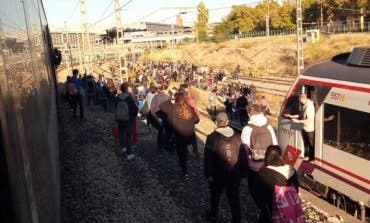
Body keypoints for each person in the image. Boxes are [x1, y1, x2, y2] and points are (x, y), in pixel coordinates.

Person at [204, 112, 246, 223]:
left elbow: (207, 158)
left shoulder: (212, 138)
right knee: (234, 198)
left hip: (217, 174)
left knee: (215, 195)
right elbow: (243, 155)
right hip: (235, 173)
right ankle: (236, 219)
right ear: (227, 122)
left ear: (216, 123)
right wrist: (243, 173)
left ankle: (213, 216)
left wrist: (208, 174)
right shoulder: (237, 136)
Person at [240, 104, 277, 203]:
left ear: (249, 114)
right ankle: (266, 208)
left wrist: (244, 168)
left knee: (254, 189)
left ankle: (260, 208)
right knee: (268, 190)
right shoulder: (268, 127)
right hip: (269, 164)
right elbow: (275, 145)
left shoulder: (247, 129)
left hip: (253, 166)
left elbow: (245, 149)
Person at [253, 145, 299, 223]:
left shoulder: (263, 172)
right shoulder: (291, 170)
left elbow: (257, 194)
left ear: (266, 156)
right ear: (280, 156)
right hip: (288, 210)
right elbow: (296, 190)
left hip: (270, 210)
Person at [158, 92, 199, 178]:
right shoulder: (190, 108)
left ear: (176, 100)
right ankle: (186, 163)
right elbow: (197, 120)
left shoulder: (173, 109)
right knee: (183, 150)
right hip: (189, 135)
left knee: (181, 153)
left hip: (179, 136)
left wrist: (170, 100)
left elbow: (161, 106)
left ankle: (185, 171)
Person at [285, 93, 315, 161]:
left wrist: (298, 121)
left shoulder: (309, 106)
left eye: (300, 100)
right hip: (305, 128)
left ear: (302, 99)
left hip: (310, 129)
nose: (300, 102)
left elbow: (309, 120)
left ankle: (312, 158)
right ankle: (307, 156)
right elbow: (301, 115)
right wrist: (291, 116)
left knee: (310, 144)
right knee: (306, 143)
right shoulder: (305, 105)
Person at [115, 83, 137, 160]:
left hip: (119, 118)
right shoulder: (129, 98)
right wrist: (134, 116)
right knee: (128, 135)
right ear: (127, 89)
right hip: (128, 119)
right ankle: (129, 153)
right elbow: (134, 109)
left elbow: (115, 107)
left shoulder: (118, 97)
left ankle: (123, 147)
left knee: (121, 133)